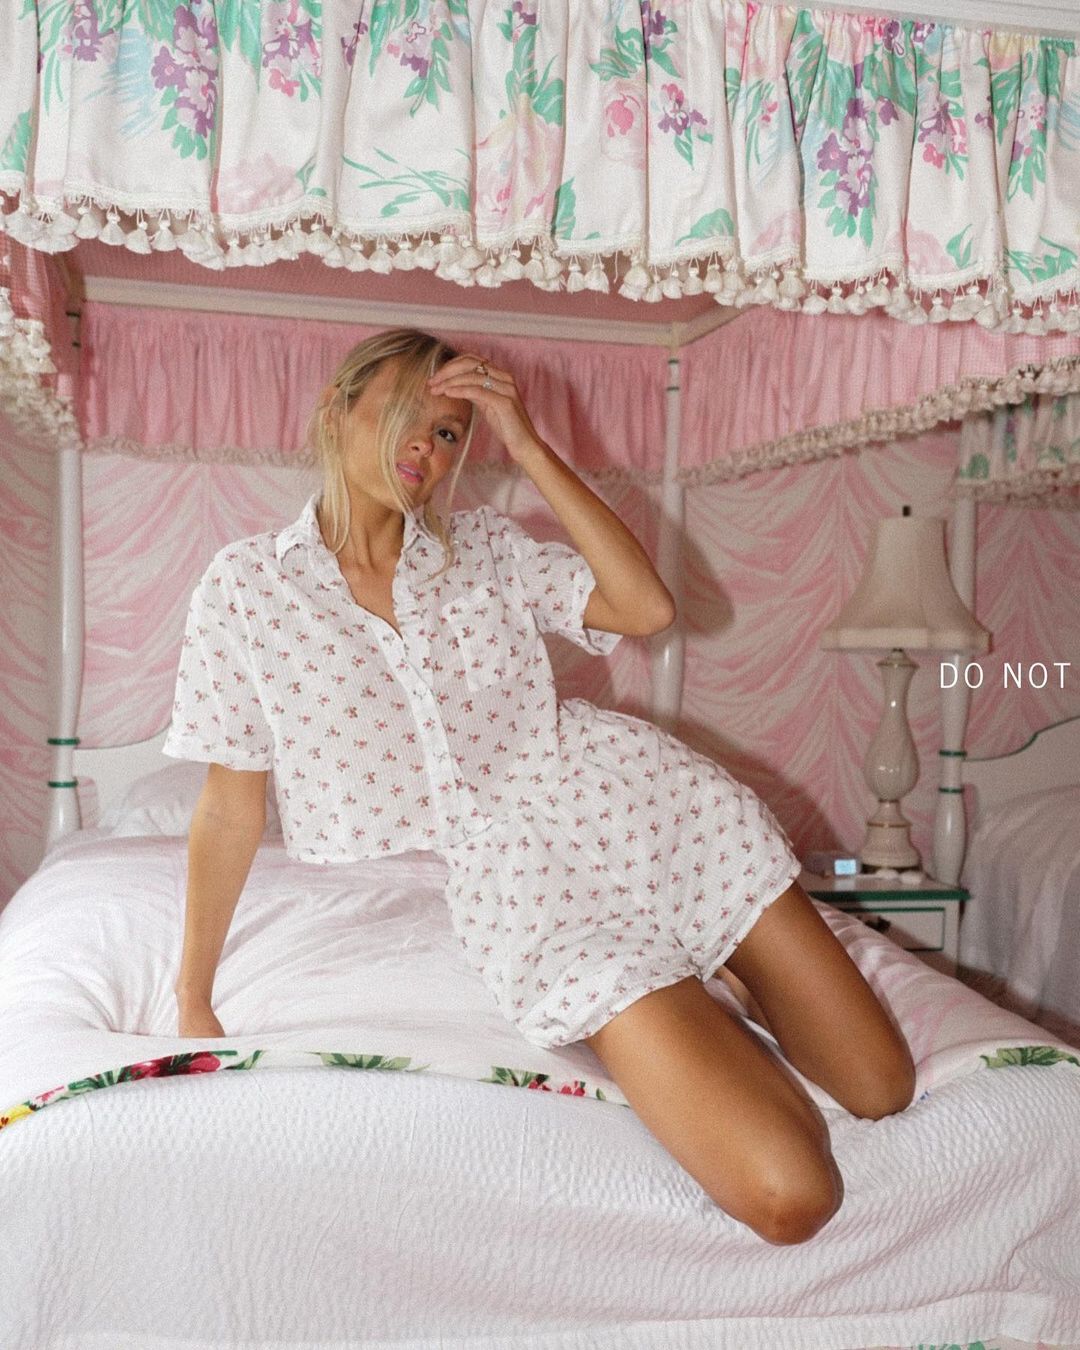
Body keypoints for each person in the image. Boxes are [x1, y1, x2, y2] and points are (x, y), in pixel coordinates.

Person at [167, 327, 915, 1246]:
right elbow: (229, 804)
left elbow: (645, 608)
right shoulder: (248, 588)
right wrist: (193, 996)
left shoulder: (486, 547)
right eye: (405, 416)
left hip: (653, 815)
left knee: (882, 1090)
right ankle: (706, 995)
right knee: (792, 1196)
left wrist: (525, 444)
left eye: (450, 432)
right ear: (336, 412)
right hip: (533, 895)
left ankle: (727, 966)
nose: (426, 446)